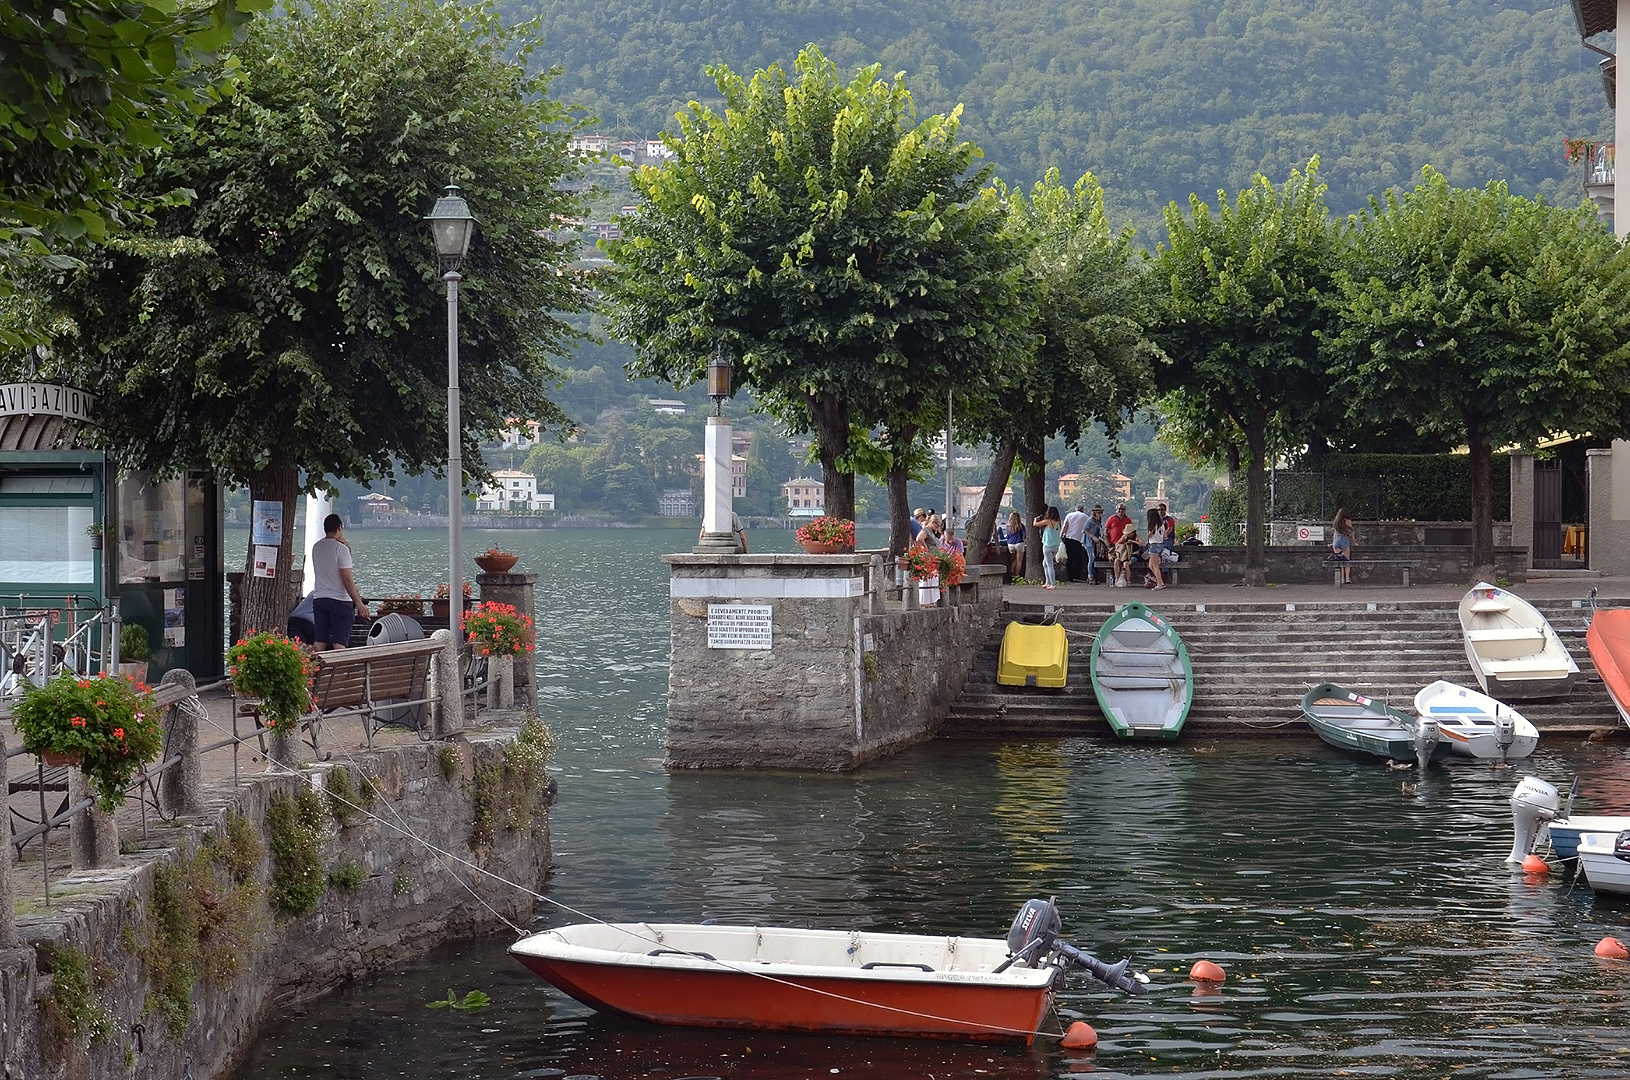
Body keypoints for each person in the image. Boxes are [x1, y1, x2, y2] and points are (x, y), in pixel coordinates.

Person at [309, 514, 371, 651]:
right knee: (339, 643)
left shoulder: (316, 547)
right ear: (339, 527)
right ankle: (339, 671)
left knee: (320, 641)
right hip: (340, 601)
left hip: (319, 598)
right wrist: (359, 603)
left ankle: (316, 670)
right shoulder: (340, 549)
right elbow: (347, 579)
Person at [1034, 505, 1062, 589]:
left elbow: (1035, 524)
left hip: (1047, 546)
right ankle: (1048, 582)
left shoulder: (1048, 521)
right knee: (1045, 563)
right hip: (1056, 546)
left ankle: (1052, 584)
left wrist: (1036, 519)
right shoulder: (1057, 522)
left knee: (1049, 565)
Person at [1061, 504, 1090, 583]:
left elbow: (1065, 526)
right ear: (1083, 509)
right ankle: (1077, 576)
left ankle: (1069, 577)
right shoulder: (1086, 517)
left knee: (1069, 559)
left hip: (1068, 538)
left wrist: (1061, 535)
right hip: (1079, 540)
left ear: (1075, 509)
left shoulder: (1069, 515)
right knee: (1078, 559)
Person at [1143, 507, 1168, 589]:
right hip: (1160, 544)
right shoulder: (1162, 525)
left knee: (1155, 566)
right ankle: (1159, 580)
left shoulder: (1152, 525)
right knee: (1151, 565)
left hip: (1153, 545)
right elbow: (1165, 536)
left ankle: (1160, 584)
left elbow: (1149, 535)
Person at [1331, 507, 1355, 584]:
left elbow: (1335, 534)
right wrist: (1354, 542)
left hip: (1336, 541)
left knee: (1340, 561)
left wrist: (1332, 543)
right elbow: (1351, 533)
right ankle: (1347, 578)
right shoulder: (1348, 521)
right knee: (1347, 560)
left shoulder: (1336, 522)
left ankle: (1341, 579)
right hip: (1344, 540)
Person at [1083, 505, 1105, 583]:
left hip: (1096, 542)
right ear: (1094, 512)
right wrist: (1093, 537)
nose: (1100, 514)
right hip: (1089, 542)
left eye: (1101, 512)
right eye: (1098, 512)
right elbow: (1085, 530)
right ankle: (1090, 576)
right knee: (1091, 558)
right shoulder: (1090, 520)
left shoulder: (1098, 521)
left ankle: (1095, 575)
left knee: (1095, 558)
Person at [1000, 512, 1026, 578]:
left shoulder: (1008, 526)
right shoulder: (1021, 526)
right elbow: (1024, 536)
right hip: (1019, 543)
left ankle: (1011, 573)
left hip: (1011, 545)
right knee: (1019, 561)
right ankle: (1016, 576)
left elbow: (1008, 536)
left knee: (1013, 560)